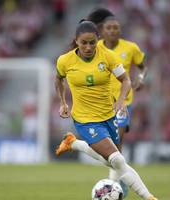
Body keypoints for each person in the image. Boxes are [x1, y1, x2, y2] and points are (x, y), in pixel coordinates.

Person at [55, 20, 157, 200]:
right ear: (76, 41)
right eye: (84, 42)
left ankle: (73, 143)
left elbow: (125, 80)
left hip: (108, 116)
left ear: (97, 40)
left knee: (112, 161)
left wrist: (121, 100)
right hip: (85, 119)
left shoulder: (108, 57)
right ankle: (149, 197)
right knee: (117, 159)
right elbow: (58, 80)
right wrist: (63, 102)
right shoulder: (65, 60)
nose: (88, 47)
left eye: (92, 42)